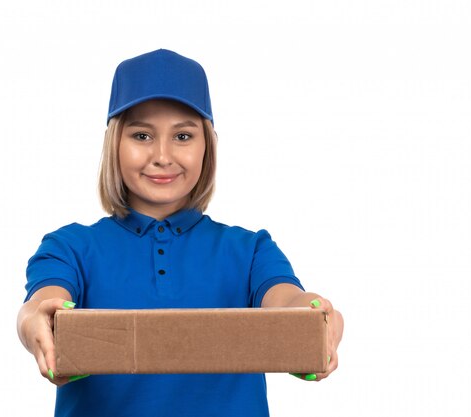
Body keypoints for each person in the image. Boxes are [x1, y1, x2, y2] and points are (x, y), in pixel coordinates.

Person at [17, 48, 344, 417]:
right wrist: (34, 321)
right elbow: (43, 303)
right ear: (114, 145)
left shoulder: (250, 250)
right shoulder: (70, 248)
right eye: (141, 135)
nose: (162, 155)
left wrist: (314, 314)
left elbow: (286, 300)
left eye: (183, 136)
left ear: (207, 145)